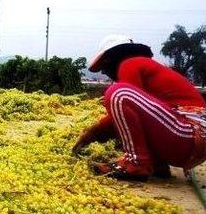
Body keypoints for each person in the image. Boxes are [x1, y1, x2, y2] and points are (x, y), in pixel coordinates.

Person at [73, 35, 206, 181]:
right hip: (190, 142)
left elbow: (125, 109)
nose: (104, 72)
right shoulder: (149, 68)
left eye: (104, 67)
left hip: (190, 133)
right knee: (136, 116)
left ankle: (136, 163)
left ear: (113, 58)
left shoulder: (130, 64)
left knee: (118, 93)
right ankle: (156, 165)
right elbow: (141, 117)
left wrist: (94, 132)